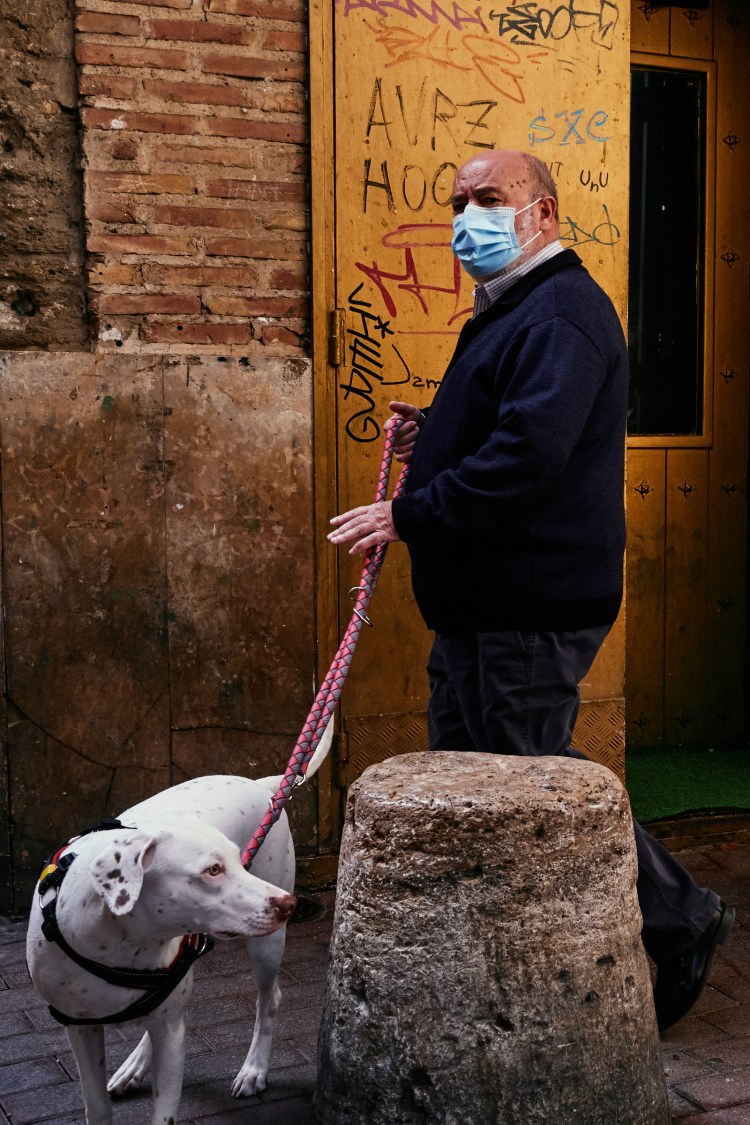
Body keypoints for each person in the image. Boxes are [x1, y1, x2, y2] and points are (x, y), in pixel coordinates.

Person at [328, 148, 733, 1032]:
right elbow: (513, 422)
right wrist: (436, 430)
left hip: (530, 602)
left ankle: (679, 912)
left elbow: (528, 457)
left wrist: (412, 511)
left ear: (542, 215)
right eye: (460, 201)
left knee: (531, 777)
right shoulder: (516, 309)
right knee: (471, 772)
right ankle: (497, 947)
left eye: (491, 198)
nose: (468, 216)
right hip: (485, 602)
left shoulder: (563, 313)